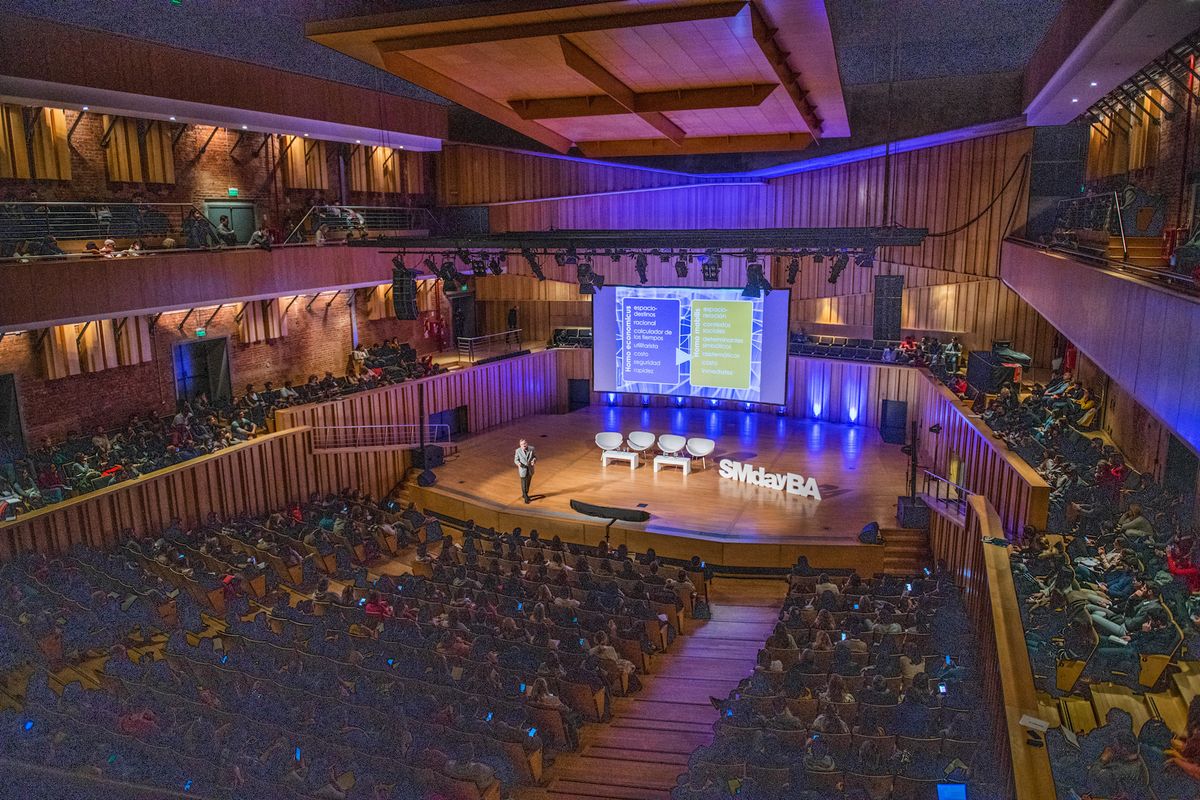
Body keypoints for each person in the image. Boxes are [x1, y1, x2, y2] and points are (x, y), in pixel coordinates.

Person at [514, 438, 537, 504]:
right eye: (521, 444)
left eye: (524, 443)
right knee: (523, 483)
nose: (523, 445)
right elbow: (516, 460)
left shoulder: (532, 448)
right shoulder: (518, 451)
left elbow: (535, 457)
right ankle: (526, 497)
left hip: (530, 469)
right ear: (520, 445)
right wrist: (519, 464)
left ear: (526, 443)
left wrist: (533, 460)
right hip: (522, 469)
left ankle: (525, 494)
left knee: (528, 483)